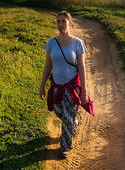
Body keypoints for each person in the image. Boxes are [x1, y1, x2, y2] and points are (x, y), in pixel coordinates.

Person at [39, 11, 91, 158]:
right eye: (58, 21)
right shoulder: (51, 42)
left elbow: (82, 67)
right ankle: (73, 122)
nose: (61, 24)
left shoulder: (77, 43)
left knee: (67, 118)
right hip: (56, 86)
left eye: (63, 21)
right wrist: (42, 85)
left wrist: (84, 90)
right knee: (59, 112)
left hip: (72, 87)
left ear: (70, 23)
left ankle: (65, 147)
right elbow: (47, 65)